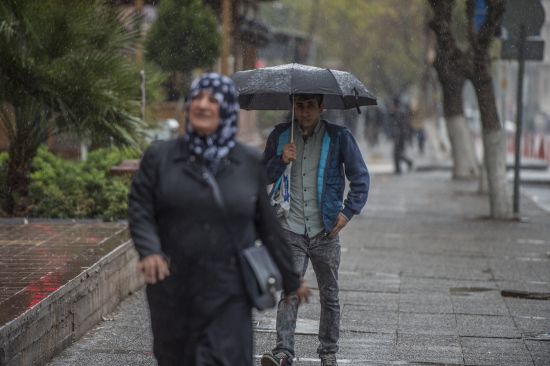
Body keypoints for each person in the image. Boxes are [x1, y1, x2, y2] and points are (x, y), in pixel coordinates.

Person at [128, 73, 310, 366]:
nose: (202, 105)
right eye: (196, 98)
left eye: (212, 100)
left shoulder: (247, 162)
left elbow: (268, 225)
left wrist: (291, 278)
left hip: (230, 289)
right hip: (174, 289)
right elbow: (141, 206)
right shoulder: (161, 157)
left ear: (225, 109)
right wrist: (150, 250)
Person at [260, 94, 370, 366]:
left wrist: (347, 213)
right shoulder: (280, 135)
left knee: (329, 294)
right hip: (291, 227)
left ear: (322, 107)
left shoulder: (339, 137)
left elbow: (360, 178)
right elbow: (261, 176)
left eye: (311, 105)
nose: (305, 111)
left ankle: (328, 351)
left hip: (326, 231)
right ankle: (283, 351)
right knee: (289, 290)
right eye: (300, 105)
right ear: (293, 107)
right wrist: (281, 160)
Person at [389, 96, 413, 174]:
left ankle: (400, 167)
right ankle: (400, 167)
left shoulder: (399, 112)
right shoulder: (399, 111)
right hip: (400, 135)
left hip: (399, 136)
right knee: (398, 153)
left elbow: (399, 125)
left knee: (397, 153)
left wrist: (398, 136)